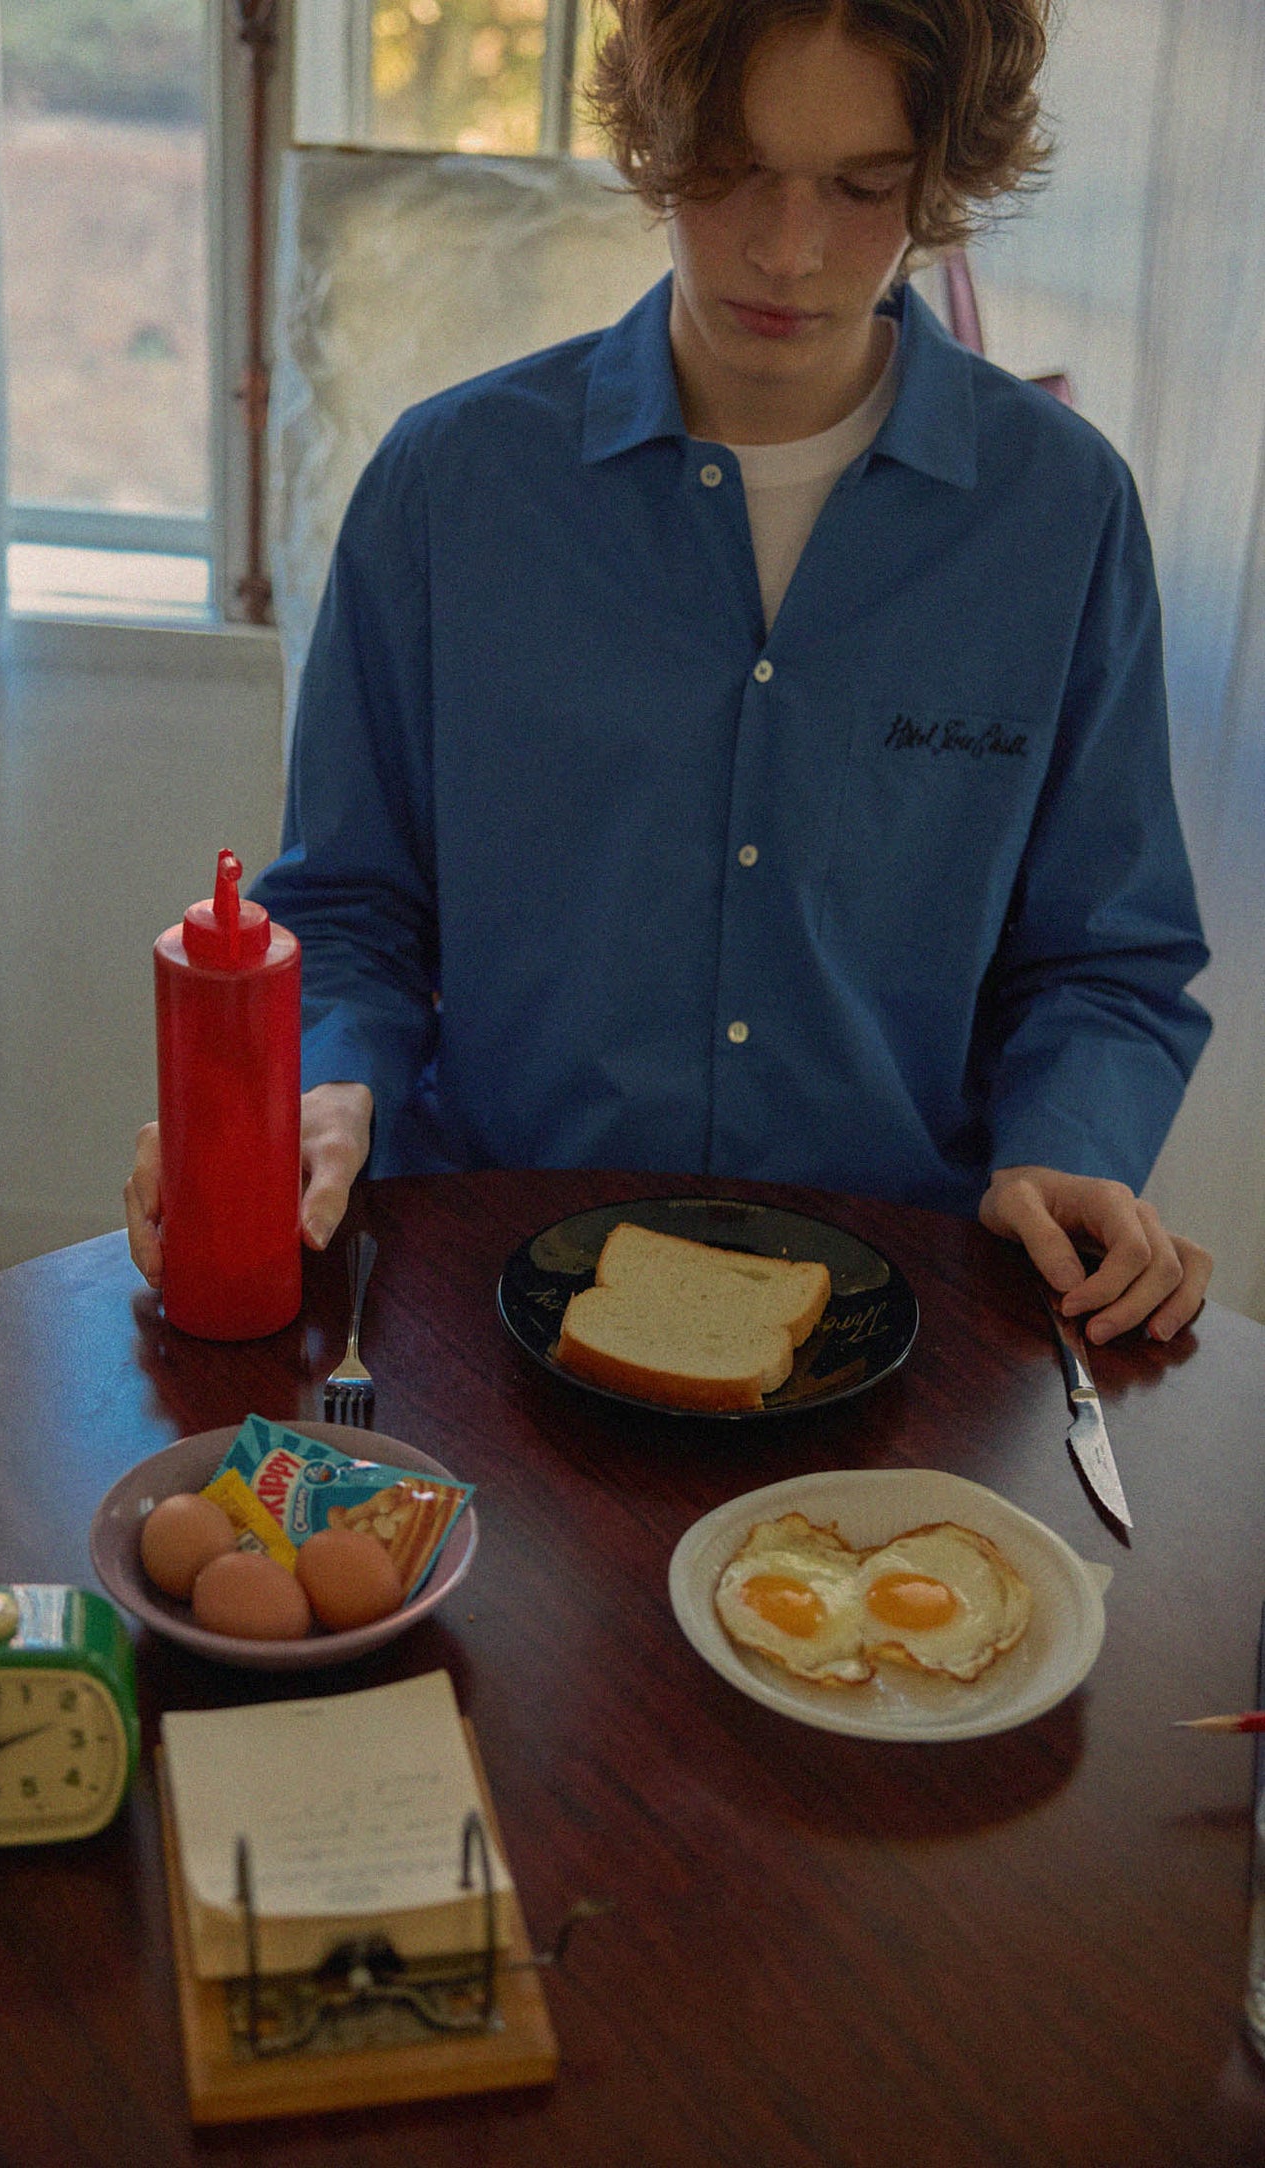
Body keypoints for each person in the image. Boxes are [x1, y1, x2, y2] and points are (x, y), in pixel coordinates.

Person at [126, 0, 1213, 1344]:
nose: (787, 248)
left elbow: (1103, 958)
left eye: (860, 188)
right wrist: (324, 1085)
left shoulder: (1058, 512)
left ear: (941, 179)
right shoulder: (449, 487)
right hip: (484, 1284)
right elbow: (350, 904)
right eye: (735, 169)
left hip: (901, 1312)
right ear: (654, 139)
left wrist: (1066, 1146)